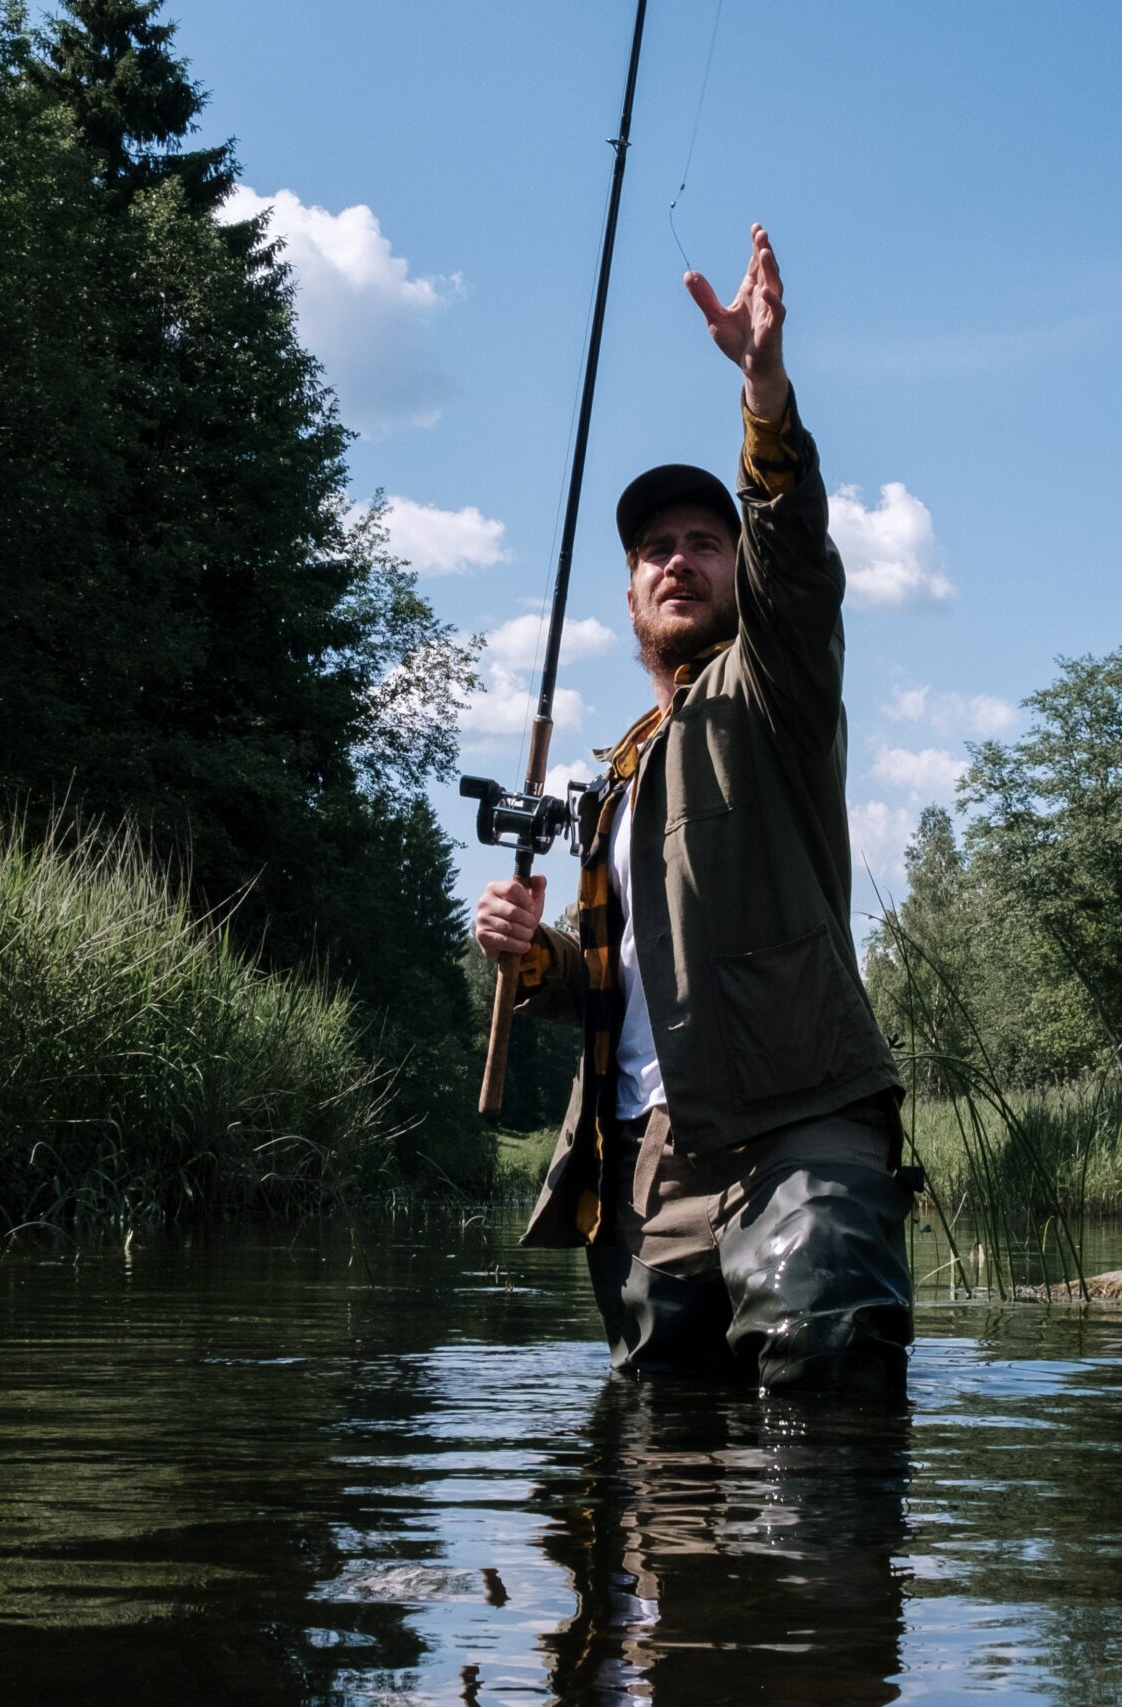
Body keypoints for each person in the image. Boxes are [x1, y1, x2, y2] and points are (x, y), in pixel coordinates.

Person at [473, 223, 914, 1396]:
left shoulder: (774, 679)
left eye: (705, 545)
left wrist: (762, 393)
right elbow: (617, 987)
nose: (680, 562)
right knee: (663, 1466)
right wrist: (535, 958)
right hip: (639, 1161)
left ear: (735, 568)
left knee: (829, 1421)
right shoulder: (615, 771)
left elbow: (795, 558)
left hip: (794, 1115)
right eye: (656, 550)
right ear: (628, 593)